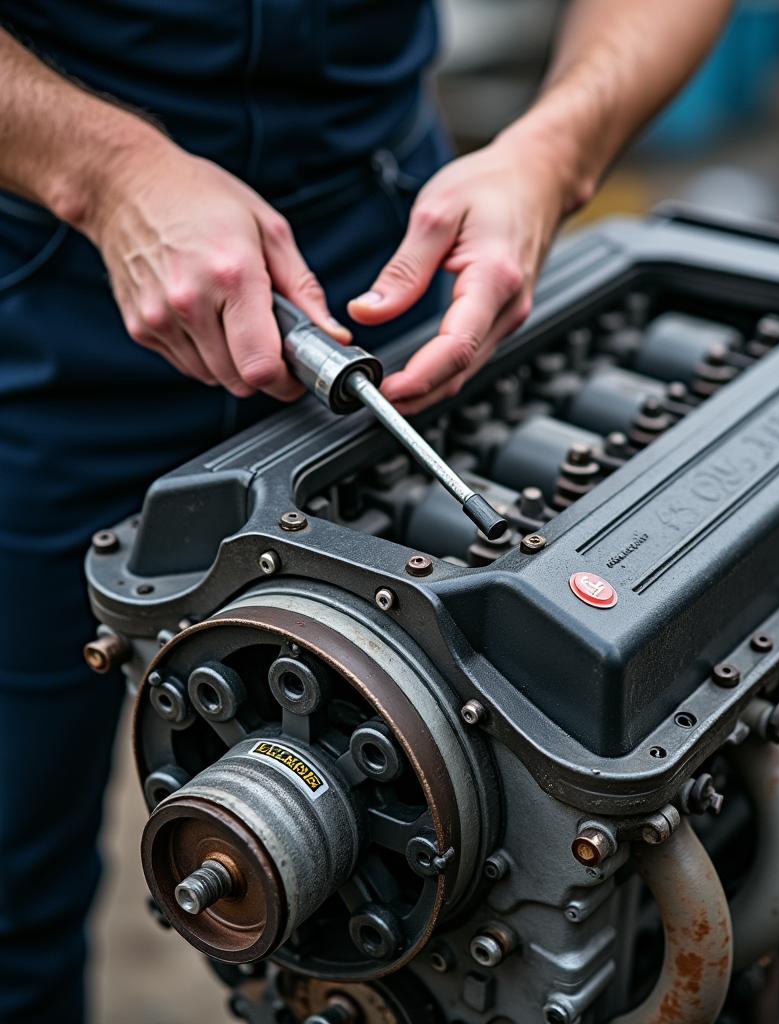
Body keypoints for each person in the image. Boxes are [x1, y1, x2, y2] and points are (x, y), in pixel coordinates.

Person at [0, 1, 731, 1020]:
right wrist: (103, 169)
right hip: (41, 291)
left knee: (473, 908)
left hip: (388, 264)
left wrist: (554, 149)